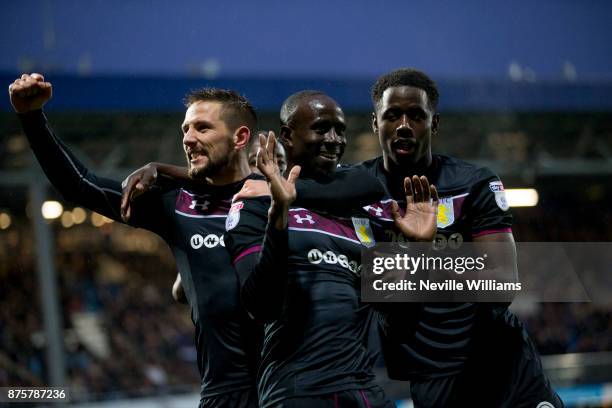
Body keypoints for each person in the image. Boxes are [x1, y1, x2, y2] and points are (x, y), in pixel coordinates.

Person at [8, 73, 262, 407]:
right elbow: (81, 185)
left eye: (202, 128)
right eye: (185, 129)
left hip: (291, 386)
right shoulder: (175, 203)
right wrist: (32, 117)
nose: (188, 138)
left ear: (240, 137)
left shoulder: (282, 197)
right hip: (225, 394)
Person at [360, 68, 563, 407]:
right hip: (432, 373)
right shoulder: (353, 191)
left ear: (434, 123)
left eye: (416, 115)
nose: (404, 125)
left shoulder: (474, 183)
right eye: (392, 115)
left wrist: (415, 263)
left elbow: (502, 285)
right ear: (375, 123)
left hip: (504, 366)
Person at [223, 90, 437, 408]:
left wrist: (420, 250)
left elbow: (401, 322)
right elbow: (261, 306)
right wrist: (279, 217)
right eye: (322, 128)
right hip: (297, 393)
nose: (334, 139)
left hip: (364, 393)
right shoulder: (255, 203)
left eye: (340, 130)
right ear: (288, 136)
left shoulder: (365, 211)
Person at [170, 129, 288, 305]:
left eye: (279, 161)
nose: (271, 169)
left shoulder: (296, 212)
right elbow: (181, 291)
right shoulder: (224, 214)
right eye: (258, 161)